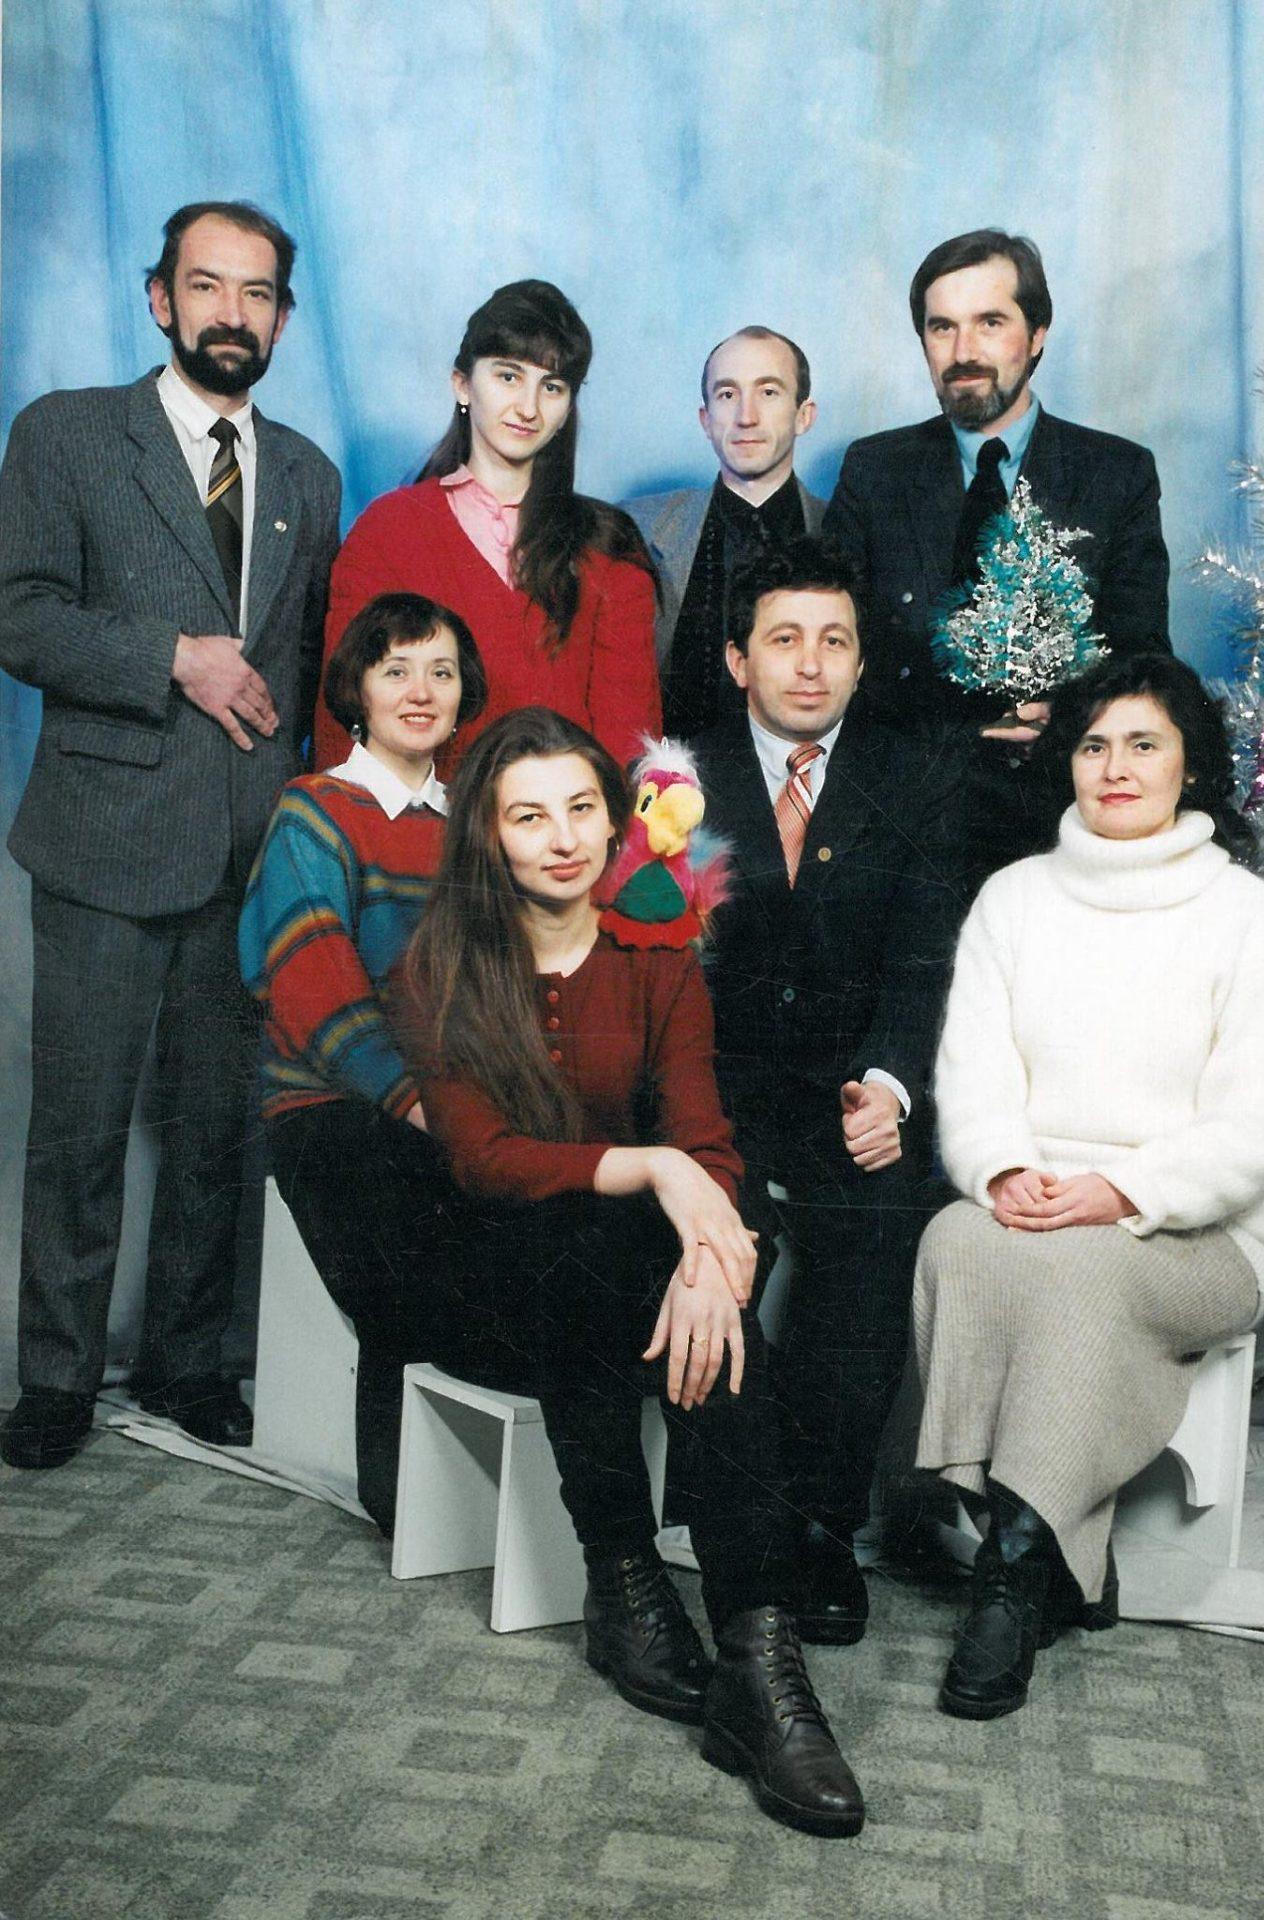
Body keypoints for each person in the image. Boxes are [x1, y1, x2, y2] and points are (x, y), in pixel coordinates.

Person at [400, 706, 864, 1838]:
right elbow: (486, 1160)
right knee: (588, 1238)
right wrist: (655, 1169)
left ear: (618, 823)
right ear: (486, 835)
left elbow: (706, 1139)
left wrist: (709, 1257)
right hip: (488, 1279)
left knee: (708, 1295)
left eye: (581, 808)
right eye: (528, 817)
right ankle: (622, 1574)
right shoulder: (439, 969)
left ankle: (758, 1657)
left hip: (629, 1279)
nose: (562, 838)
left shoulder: (657, 958)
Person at [0, 200, 340, 1469]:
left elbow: (303, 669)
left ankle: (192, 1363)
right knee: (81, 1130)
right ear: (160, 298)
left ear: (283, 319)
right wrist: (171, 657)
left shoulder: (308, 473)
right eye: (206, 286)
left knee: (215, 1132)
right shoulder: (68, 433)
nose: (230, 314)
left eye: (256, 294)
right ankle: (56, 1380)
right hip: (103, 842)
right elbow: (17, 613)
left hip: (246, 853)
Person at [912, 652, 1264, 1719]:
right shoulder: (1013, 900)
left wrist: (1122, 1192)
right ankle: (1058, 1554)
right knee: (955, 1242)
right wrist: (1003, 1169)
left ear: (1190, 765)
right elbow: (974, 1076)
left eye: (1143, 745)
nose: (1115, 768)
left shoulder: (1243, 915)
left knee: (1080, 1273)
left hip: (1203, 1232)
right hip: (1037, 1199)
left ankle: (1011, 1575)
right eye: (1093, 746)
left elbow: (1254, 1125)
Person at [693, 536, 970, 1646]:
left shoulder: (912, 776)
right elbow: (657, 968)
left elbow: (923, 958)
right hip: (713, 1092)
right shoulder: (676, 775)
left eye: (834, 641)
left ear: (859, 661)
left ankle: (820, 1525)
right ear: (737, 659)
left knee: (875, 1240)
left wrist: (889, 1087)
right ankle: (743, 1509)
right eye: (784, 640)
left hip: (855, 1091)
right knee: (716, 1245)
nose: (809, 665)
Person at [238, 592, 487, 1533]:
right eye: (396, 671)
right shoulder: (314, 810)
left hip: (451, 1105)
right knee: (409, 1239)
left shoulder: (477, 826)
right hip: (332, 1107)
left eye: (441, 672)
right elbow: (314, 990)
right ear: (358, 690)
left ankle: (510, 1488)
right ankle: (409, 1498)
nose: (421, 692)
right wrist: (422, 1106)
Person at [824, 229, 1171, 866]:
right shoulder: (875, 470)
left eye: (990, 323)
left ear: (1036, 335)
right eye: (942, 328)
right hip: (900, 820)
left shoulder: (1115, 474)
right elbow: (835, 642)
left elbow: (1142, 654)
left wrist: (1068, 715)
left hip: (1059, 815)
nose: (964, 352)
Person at [312, 280, 659, 775]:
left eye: (552, 387)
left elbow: (629, 741)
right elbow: (342, 727)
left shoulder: (607, 544)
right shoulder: (387, 532)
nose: (529, 408)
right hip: (423, 819)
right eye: (509, 376)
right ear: (462, 384)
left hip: (568, 817)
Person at [625, 327, 826, 738]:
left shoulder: (844, 530)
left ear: (803, 415)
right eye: (727, 394)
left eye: (768, 392)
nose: (746, 416)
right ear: (706, 419)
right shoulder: (637, 527)